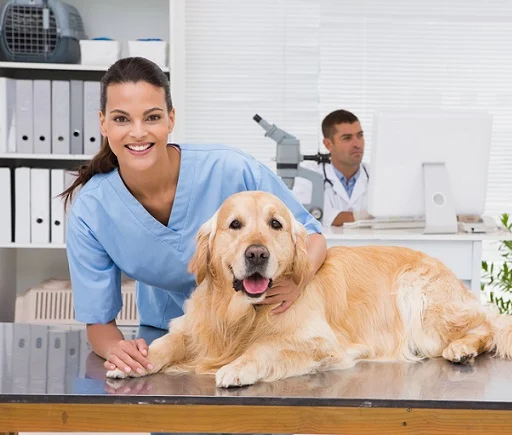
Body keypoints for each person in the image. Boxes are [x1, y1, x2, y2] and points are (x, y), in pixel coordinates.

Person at [60, 57, 327, 378]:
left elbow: (311, 236)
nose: (138, 132)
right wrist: (118, 349)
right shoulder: (91, 210)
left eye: (152, 117)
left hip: (261, 330)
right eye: (121, 119)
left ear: (170, 119)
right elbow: (99, 322)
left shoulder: (231, 169)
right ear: (103, 124)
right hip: (169, 335)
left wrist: (300, 280)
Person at [293, 109, 371, 227]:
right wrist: (360, 217)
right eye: (347, 138)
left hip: (370, 245)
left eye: (360, 136)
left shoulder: (376, 175)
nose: (357, 144)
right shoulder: (309, 176)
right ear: (328, 144)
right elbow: (306, 214)